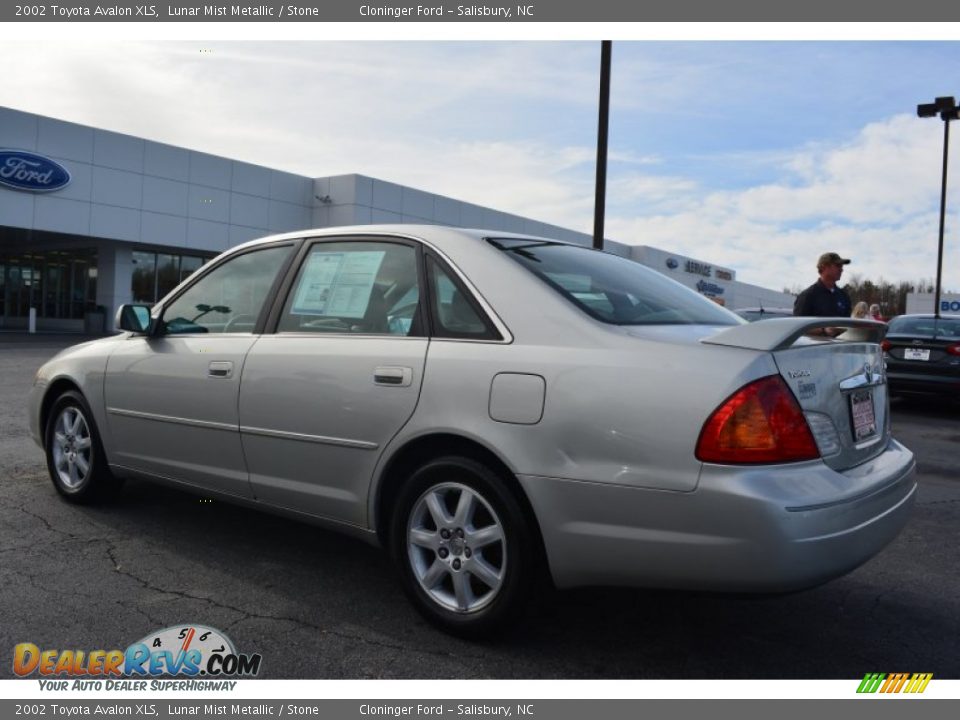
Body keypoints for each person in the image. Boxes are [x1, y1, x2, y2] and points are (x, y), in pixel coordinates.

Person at [793, 252, 853, 318]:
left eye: (841, 267)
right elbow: (798, 326)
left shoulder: (844, 297)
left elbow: (847, 325)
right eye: (838, 265)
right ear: (824, 267)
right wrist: (823, 328)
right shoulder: (807, 296)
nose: (841, 270)